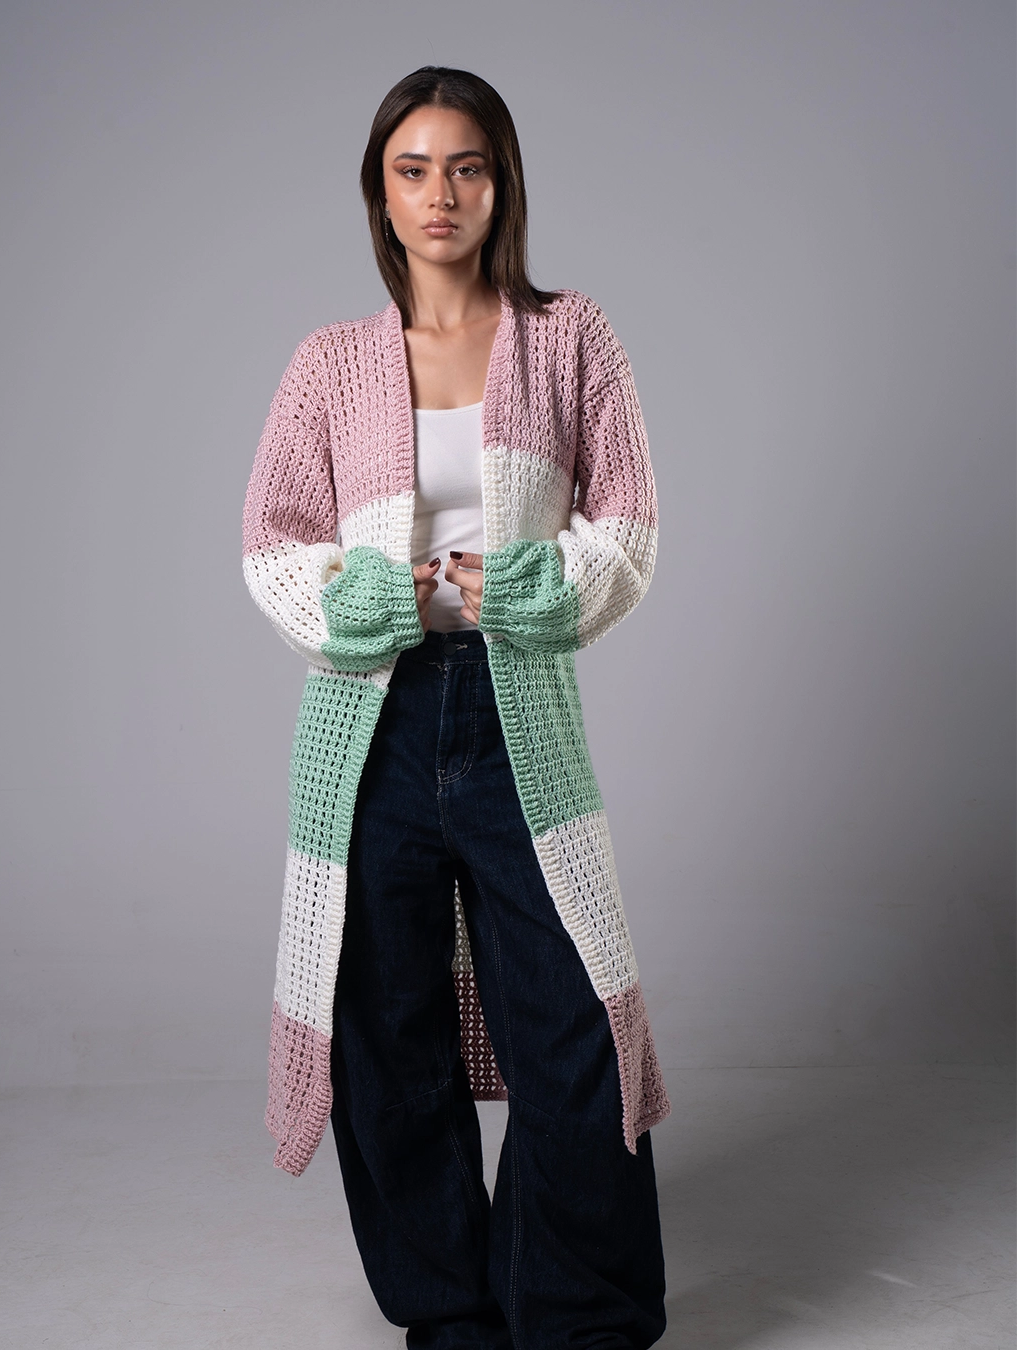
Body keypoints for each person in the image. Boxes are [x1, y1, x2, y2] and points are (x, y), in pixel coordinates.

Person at [242, 64, 669, 1350]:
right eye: (413, 169)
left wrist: (523, 584)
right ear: (380, 191)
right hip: (366, 729)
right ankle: (448, 1317)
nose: (442, 194)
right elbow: (270, 542)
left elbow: (634, 528)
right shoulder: (331, 365)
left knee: (570, 1015)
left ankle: (582, 1314)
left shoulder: (570, 335)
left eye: (467, 166)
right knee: (387, 1032)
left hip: (513, 712)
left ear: (503, 182)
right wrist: (370, 600)